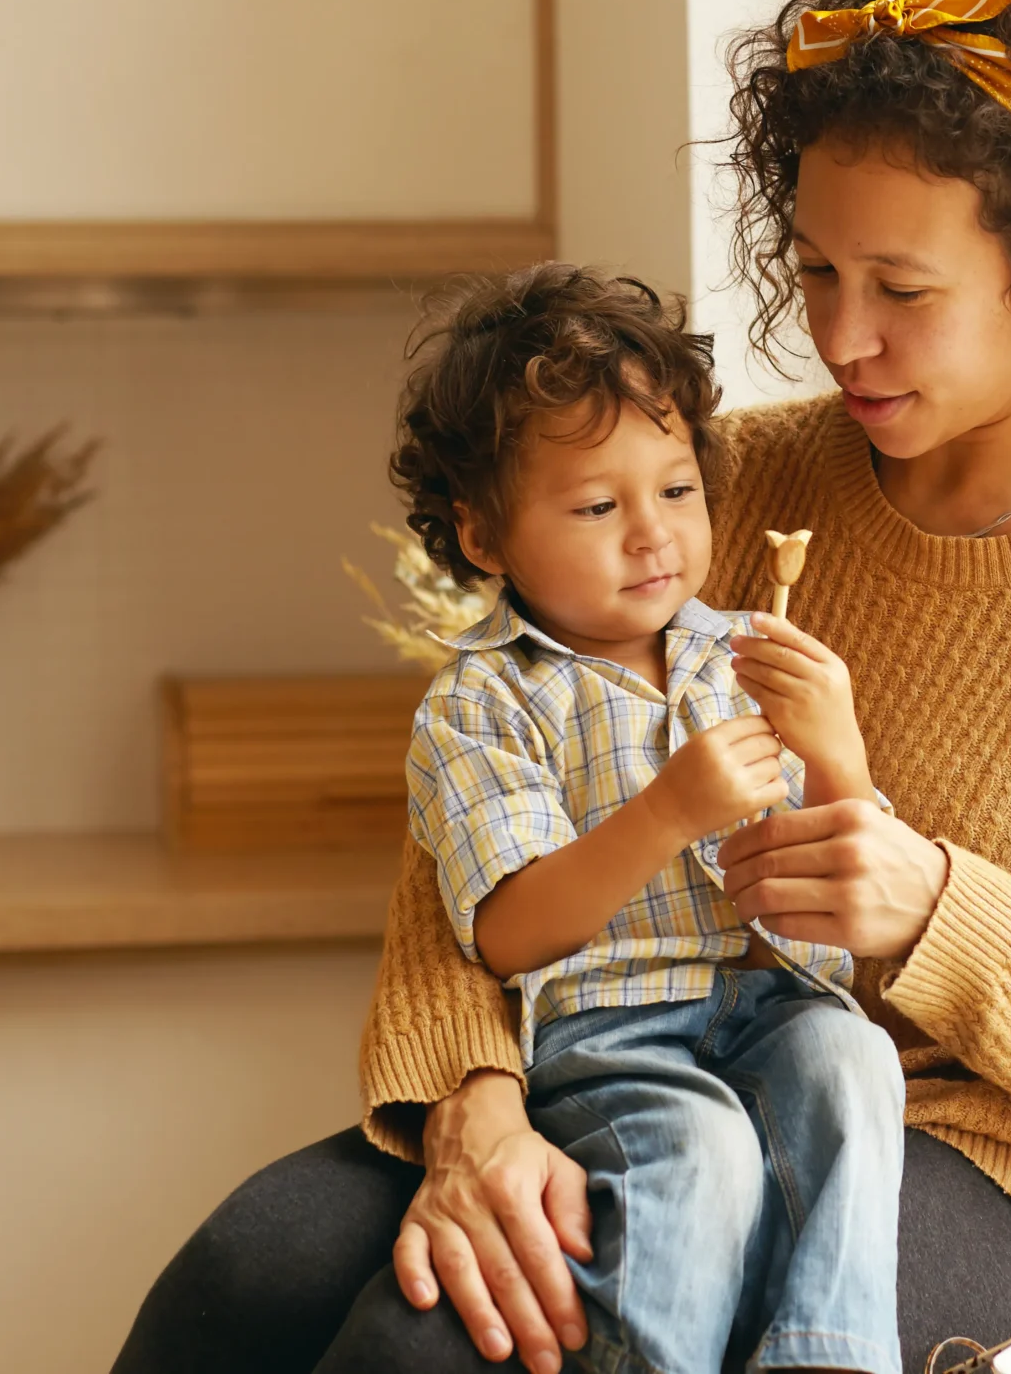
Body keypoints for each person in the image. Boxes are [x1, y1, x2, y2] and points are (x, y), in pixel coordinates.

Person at [112, 0, 1011, 1374]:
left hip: (991, 1157)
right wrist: (473, 1096)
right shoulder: (725, 484)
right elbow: (481, 820)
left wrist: (942, 910)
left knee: (456, 1347)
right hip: (637, 1057)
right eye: (813, 268)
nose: (841, 336)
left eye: (901, 287)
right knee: (241, 1274)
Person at [393, 263, 903, 1374]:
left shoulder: (740, 655)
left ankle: (829, 1355)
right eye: (594, 507)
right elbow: (510, 931)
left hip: (767, 1003)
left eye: (676, 491)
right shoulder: (481, 702)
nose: (652, 536)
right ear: (484, 539)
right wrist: (670, 811)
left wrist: (838, 750)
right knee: (701, 1146)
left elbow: (850, 887)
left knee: (853, 1063)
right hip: (607, 1028)